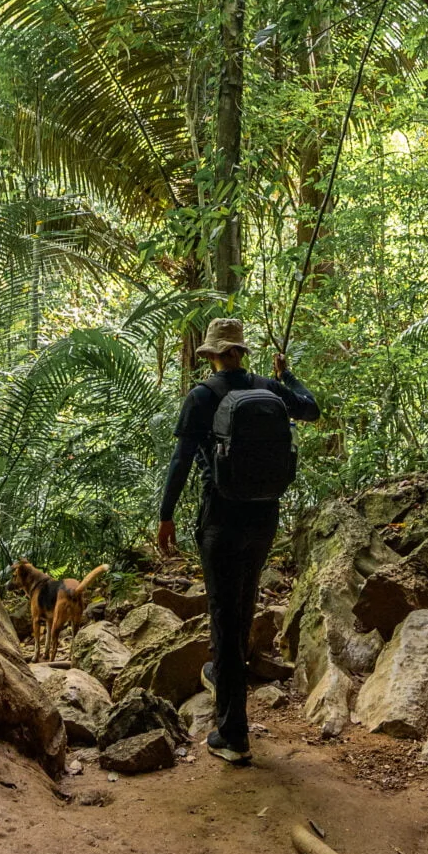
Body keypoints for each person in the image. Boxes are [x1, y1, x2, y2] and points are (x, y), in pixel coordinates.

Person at [156, 316, 320, 765]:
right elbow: (310, 408)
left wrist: (166, 515)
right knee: (241, 607)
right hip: (265, 515)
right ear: (241, 352)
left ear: (211, 355)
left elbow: (182, 460)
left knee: (224, 615)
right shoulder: (269, 389)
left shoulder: (203, 395)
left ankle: (232, 735)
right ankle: (221, 674)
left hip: (222, 518)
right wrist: (287, 375)